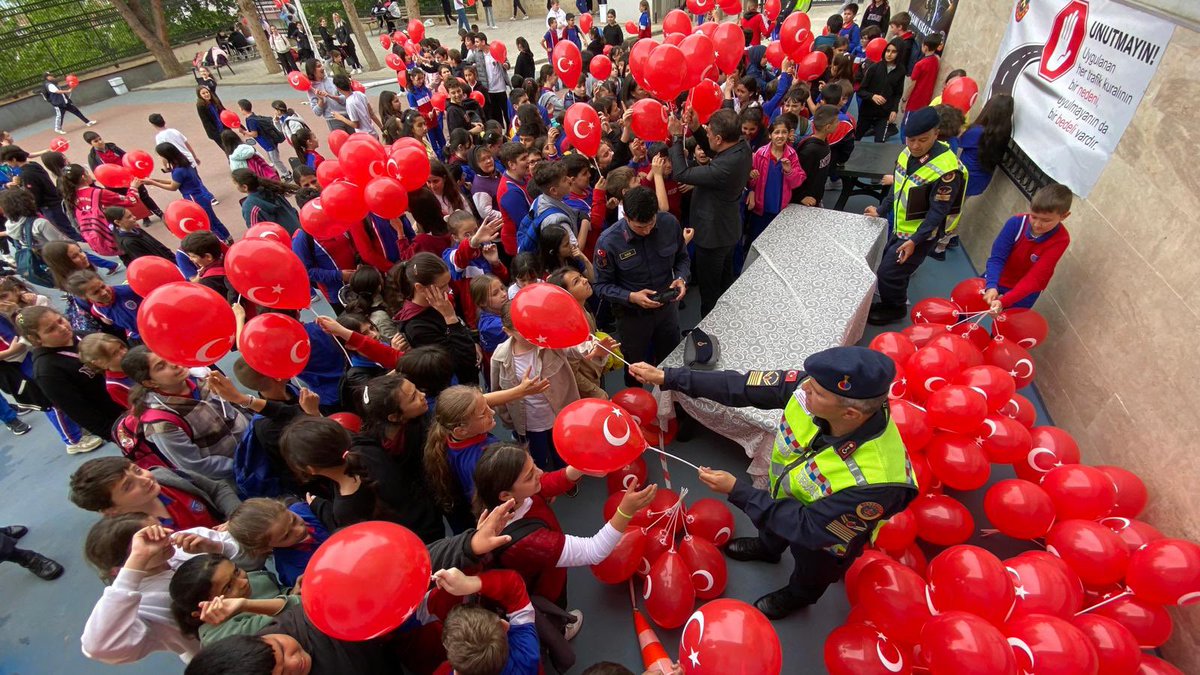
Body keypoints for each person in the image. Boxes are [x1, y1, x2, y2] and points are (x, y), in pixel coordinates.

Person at [629, 346, 920, 618]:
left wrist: (738, 490)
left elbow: (807, 528)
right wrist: (670, 377)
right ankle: (768, 549)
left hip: (824, 540)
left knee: (812, 570)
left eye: (815, 391)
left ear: (850, 414)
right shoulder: (812, 387)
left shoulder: (878, 483)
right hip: (784, 494)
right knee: (772, 522)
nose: (803, 388)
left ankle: (797, 596)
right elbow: (742, 386)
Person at [473, 443, 657, 671]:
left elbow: (547, 483)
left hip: (545, 570)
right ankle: (559, 630)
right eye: (530, 475)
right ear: (506, 495)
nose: (539, 472)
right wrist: (625, 511)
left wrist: (582, 465)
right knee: (552, 611)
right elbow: (594, 551)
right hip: (543, 587)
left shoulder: (507, 504)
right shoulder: (528, 541)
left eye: (534, 465)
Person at [865, 107, 966, 325]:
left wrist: (914, 241)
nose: (915, 146)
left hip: (921, 234)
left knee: (889, 273)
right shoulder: (906, 153)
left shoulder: (947, 170)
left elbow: (938, 213)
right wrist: (882, 209)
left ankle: (895, 308)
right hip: (900, 225)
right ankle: (891, 300)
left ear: (936, 134)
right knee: (891, 268)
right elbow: (898, 186)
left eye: (923, 140)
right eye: (911, 140)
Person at [593, 186, 688, 386]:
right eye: (639, 227)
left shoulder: (669, 224)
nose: (646, 231)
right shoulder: (609, 242)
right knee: (635, 368)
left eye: (650, 224)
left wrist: (681, 277)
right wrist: (631, 296)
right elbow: (601, 286)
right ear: (625, 216)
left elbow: (682, 257)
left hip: (667, 309)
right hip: (632, 318)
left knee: (670, 364)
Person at [120, 345, 251, 481]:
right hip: (238, 473)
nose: (174, 364)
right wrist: (244, 466)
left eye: (169, 357)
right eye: (161, 366)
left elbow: (235, 406)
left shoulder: (203, 378)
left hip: (255, 446)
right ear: (150, 382)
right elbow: (194, 465)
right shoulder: (160, 422)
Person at [666, 108, 750, 317]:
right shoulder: (741, 147)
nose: (707, 133)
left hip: (712, 237)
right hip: (728, 229)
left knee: (710, 289)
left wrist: (677, 137)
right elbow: (715, 151)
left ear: (720, 138)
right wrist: (695, 129)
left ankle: (709, 329)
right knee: (725, 281)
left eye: (709, 131)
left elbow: (681, 173)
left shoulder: (725, 167)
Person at [16, 305, 118, 445]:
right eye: (51, 329)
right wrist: (115, 434)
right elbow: (79, 411)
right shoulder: (47, 371)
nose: (62, 327)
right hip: (118, 419)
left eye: (60, 320)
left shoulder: (83, 336)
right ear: (35, 339)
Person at [68, 456, 242, 525]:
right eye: (128, 486)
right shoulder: (134, 539)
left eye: (137, 470)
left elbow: (217, 489)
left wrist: (237, 517)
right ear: (112, 510)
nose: (145, 479)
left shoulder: (165, 477)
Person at [983, 184, 1073, 312]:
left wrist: (1004, 301)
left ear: (1064, 216)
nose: (1037, 224)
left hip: (1026, 291)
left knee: (1007, 329)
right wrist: (991, 285)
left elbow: (1035, 278)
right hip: (999, 277)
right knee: (964, 310)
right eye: (1034, 216)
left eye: (1046, 220)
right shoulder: (1016, 223)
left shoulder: (1061, 240)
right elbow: (997, 258)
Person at [143, 143, 233, 243]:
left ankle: (223, 241)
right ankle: (227, 237)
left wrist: (153, 183)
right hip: (200, 194)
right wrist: (156, 181)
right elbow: (176, 182)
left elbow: (173, 187)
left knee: (207, 223)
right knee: (213, 219)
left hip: (193, 197)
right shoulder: (183, 164)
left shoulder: (178, 171)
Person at [746, 119, 805, 247]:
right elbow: (751, 181)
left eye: (784, 132)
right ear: (770, 135)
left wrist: (789, 171)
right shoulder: (760, 154)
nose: (780, 136)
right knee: (756, 242)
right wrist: (752, 177)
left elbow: (797, 182)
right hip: (760, 210)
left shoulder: (792, 155)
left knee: (776, 243)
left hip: (780, 210)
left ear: (789, 134)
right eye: (776, 132)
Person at [959, 93, 1014, 198]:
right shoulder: (1004, 134)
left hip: (965, 176)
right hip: (981, 178)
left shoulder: (978, 132)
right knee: (958, 207)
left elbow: (959, 141)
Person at [855, 39, 906, 142]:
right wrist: (872, 96)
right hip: (867, 112)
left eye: (894, 52)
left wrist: (894, 110)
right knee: (856, 138)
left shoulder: (901, 71)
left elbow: (897, 93)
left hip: (883, 114)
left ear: (899, 53)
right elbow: (861, 91)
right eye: (888, 50)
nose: (889, 54)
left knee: (880, 143)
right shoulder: (874, 68)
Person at [897, 34, 941, 140]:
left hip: (914, 102)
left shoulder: (919, 65)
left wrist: (904, 100)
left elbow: (912, 84)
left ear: (925, 47)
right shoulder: (936, 61)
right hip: (925, 102)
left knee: (905, 129)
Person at [237, 100, 292, 180]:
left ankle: (287, 174)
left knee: (275, 160)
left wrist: (244, 132)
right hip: (269, 142)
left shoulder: (250, 120)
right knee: (273, 159)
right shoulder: (253, 117)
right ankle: (285, 173)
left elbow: (254, 134)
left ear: (242, 109)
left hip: (268, 144)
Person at [304, 59, 353, 134]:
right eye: (319, 66)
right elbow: (317, 112)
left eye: (322, 65)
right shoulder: (311, 89)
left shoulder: (332, 80)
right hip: (333, 120)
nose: (323, 68)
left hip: (348, 115)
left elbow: (346, 98)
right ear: (312, 71)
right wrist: (321, 100)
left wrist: (331, 96)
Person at [330, 74, 381, 140]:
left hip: (364, 137)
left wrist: (341, 118)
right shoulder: (360, 94)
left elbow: (356, 125)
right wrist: (381, 127)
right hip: (373, 133)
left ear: (338, 88)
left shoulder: (350, 103)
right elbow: (372, 114)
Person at [194, 86, 229, 154]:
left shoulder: (215, 101)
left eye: (207, 92)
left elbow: (224, 111)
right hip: (216, 132)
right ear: (200, 95)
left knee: (234, 145)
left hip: (225, 128)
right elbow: (206, 122)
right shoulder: (201, 106)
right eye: (203, 93)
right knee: (227, 150)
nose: (206, 94)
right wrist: (216, 135)